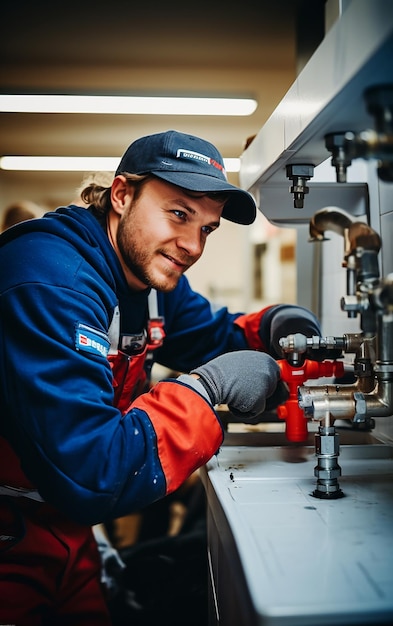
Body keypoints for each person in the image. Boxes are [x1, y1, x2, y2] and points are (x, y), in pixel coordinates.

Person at [0, 130, 330, 625]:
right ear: (121, 195)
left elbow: (215, 337)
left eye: (207, 229)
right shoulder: (52, 279)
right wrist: (205, 388)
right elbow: (91, 470)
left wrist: (277, 327)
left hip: (62, 529)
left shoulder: (150, 281)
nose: (192, 245)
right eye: (179, 214)